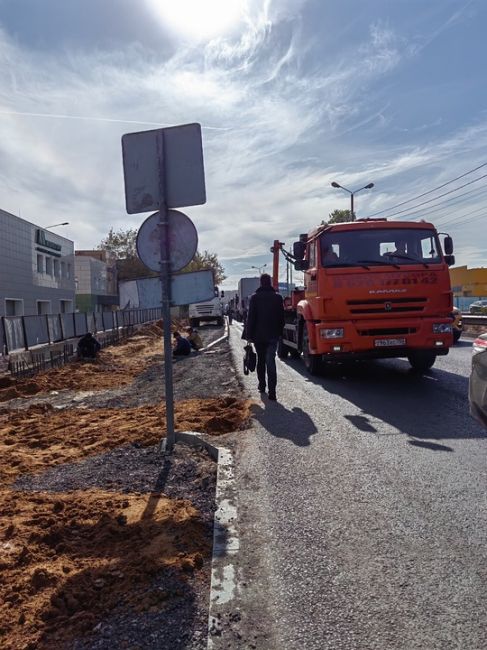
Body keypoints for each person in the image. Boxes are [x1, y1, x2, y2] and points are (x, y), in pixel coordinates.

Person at [245, 273, 285, 401]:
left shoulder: (255, 298)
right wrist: (279, 332)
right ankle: (272, 391)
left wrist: (249, 335)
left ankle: (262, 386)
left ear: (261, 283)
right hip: (273, 335)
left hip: (258, 336)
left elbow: (251, 318)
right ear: (270, 283)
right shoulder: (278, 298)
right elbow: (282, 319)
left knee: (261, 361)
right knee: (271, 362)